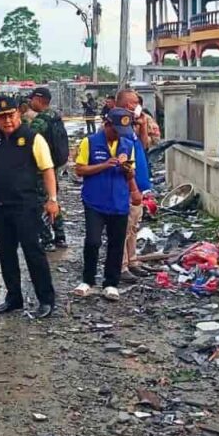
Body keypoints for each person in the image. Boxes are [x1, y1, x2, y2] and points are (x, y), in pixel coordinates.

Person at [0, 94, 58, 319]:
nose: (7, 120)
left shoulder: (33, 138)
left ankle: (46, 300)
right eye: (2, 117)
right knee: (6, 253)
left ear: (18, 113)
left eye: (10, 115)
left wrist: (52, 200)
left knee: (33, 252)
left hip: (25, 206)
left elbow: (48, 170)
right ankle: (13, 298)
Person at [72, 109, 142, 301]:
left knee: (116, 244)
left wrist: (129, 174)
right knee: (93, 241)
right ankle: (88, 280)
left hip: (119, 202)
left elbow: (131, 174)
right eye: (116, 130)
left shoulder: (128, 145)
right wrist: (104, 165)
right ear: (107, 124)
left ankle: (111, 283)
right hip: (94, 200)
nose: (119, 134)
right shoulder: (90, 142)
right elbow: (80, 170)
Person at [115, 89, 154, 282]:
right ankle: (120, 265)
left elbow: (144, 146)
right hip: (128, 187)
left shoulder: (131, 127)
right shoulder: (119, 128)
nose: (135, 106)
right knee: (124, 226)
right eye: (132, 103)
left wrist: (143, 124)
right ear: (123, 105)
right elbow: (123, 162)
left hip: (139, 184)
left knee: (133, 226)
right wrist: (132, 187)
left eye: (137, 102)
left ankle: (132, 260)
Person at [28, 87, 68, 251]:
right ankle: (60, 236)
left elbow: (29, 141)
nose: (30, 102)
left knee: (40, 203)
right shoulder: (56, 117)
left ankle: (47, 240)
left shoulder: (41, 120)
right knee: (53, 200)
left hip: (41, 169)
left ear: (38, 99)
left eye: (32, 99)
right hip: (55, 166)